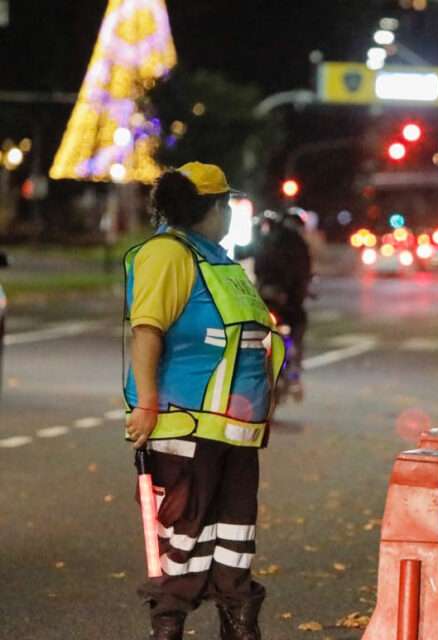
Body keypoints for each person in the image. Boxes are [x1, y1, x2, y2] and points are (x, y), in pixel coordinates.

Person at [123, 163, 285, 640]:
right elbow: (147, 328)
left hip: (230, 429)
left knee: (235, 532)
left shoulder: (218, 260)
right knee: (185, 534)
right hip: (185, 424)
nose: (231, 213)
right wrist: (147, 404)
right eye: (227, 204)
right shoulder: (168, 255)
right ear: (211, 208)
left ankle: (238, 621)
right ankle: (168, 625)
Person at [254, 210, 313, 399]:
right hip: (288, 303)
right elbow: (303, 274)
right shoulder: (298, 245)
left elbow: (257, 265)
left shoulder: (268, 240)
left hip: (266, 298)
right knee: (298, 327)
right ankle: (294, 374)